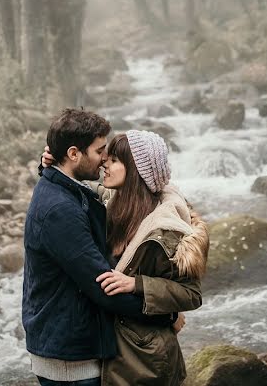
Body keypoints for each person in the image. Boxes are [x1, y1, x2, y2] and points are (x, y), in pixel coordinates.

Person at [22, 109, 177, 386]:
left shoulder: (62, 187)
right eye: (100, 151)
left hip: (69, 346)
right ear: (73, 154)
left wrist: (48, 166)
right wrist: (166, 314)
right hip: (72, 361)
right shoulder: (61, 210)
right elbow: (104, 288)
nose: (104, 159)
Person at [43, 129, 209, 386]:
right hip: (118, 347)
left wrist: (138, 284)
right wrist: (53, 165)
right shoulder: (112, 201)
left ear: (137, 172)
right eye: (105, 156)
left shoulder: (166, 230)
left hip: (146, 360)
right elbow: (77, 187)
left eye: (115, 160)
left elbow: (192, 294)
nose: (104, 163)